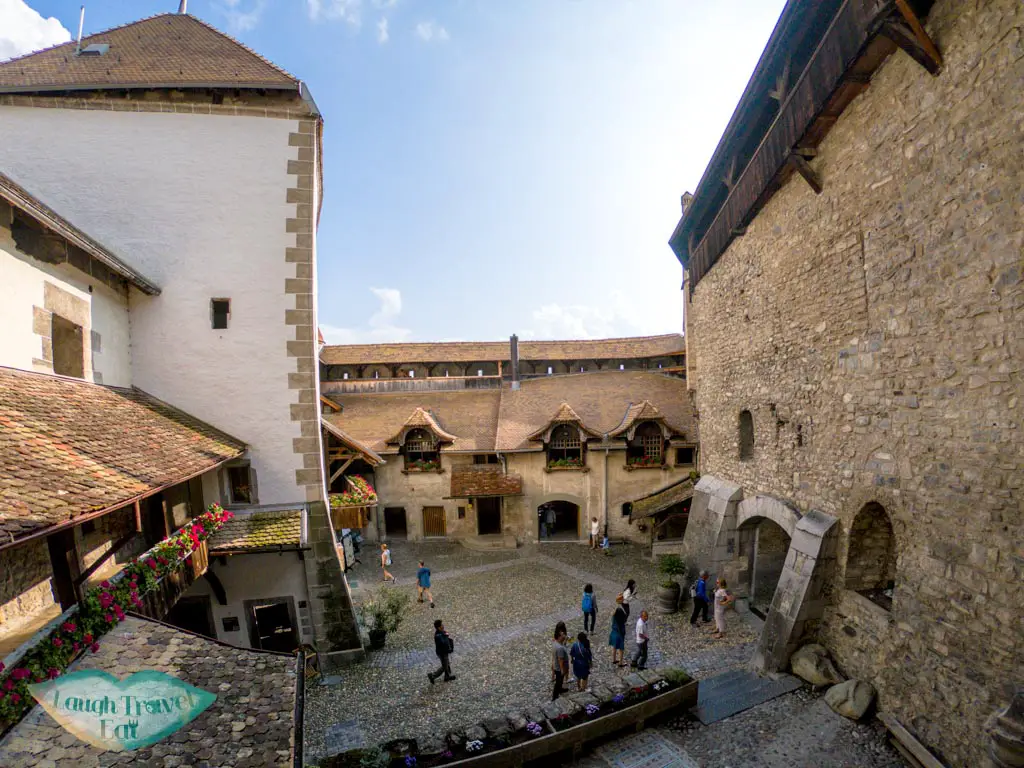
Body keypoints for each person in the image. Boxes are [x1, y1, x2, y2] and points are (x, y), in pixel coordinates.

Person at [428, 619, 456, 684]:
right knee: (444, 666)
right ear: (438, 627)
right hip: (442, 653)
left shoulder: (441, 632)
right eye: (441, 625)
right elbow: (443, 642)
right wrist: (445, 635)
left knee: (447, 663)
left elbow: (447, 638)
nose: (443, 626)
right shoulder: (438, 635)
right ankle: (432, 675)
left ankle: (447, 676)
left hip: (444, 652)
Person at [609, 594, 627, 667]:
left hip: (613, 632)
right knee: (621, 648)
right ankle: (620, 662)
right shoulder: (621, 621)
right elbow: (622, 626)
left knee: (614, 646)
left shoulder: (614, 613)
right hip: (619, 633)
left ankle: (613, 659)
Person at [552, 626, 570, 700]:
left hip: (557, 667)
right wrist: (562, 669)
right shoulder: (559, 648)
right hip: (559, 668)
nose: (564, 635)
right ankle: (555, 696)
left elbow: (563, 646)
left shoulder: (557, 643)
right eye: (563, 634)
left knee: (560, 680)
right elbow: (560, 659)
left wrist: (565, 641)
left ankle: (560, 689)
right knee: (558, 682)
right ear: (559, 637)